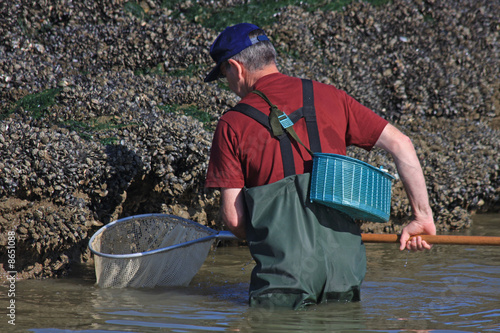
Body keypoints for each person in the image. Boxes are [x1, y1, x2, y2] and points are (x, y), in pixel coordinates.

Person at [204, 23, 436, 309]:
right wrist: (421, 217)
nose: (228, 84)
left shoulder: (232, 124)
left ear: (235, 68)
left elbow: (236, 221)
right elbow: (402, 145)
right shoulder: (331, 96)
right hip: (345, 271)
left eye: (224, 74)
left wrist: (274, 233)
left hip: (283, 278)